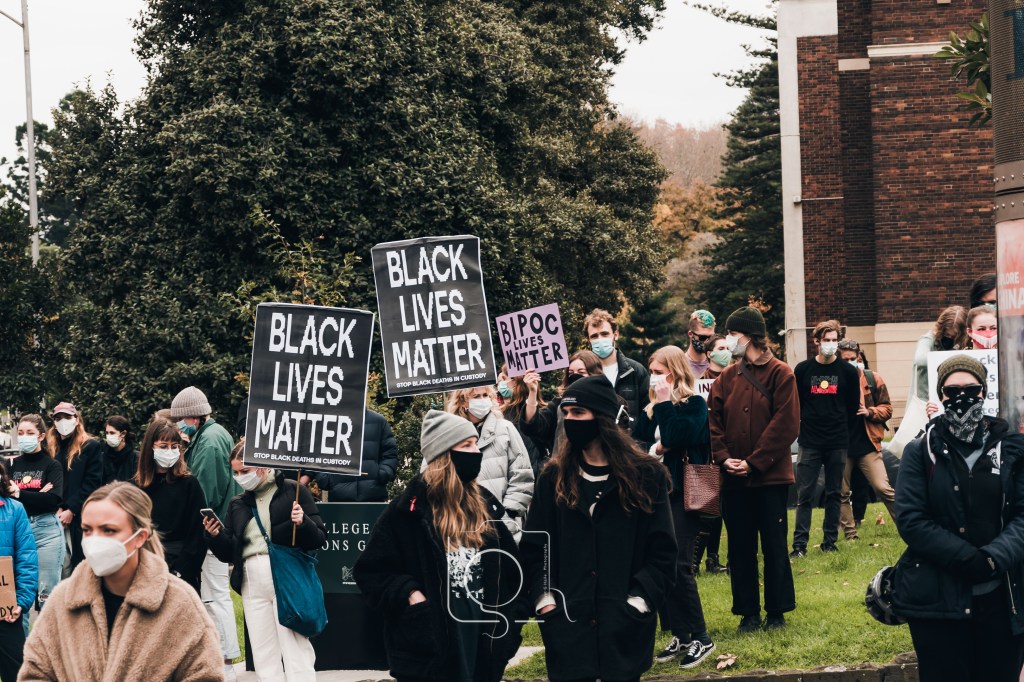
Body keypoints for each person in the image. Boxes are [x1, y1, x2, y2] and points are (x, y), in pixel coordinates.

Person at [521, 376, 676, 682]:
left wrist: (638, 602)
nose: (569, 420)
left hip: (625, 631)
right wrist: (545, 601)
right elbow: (535, 550)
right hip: (568, 630)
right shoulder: (553, 478)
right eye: (566, 413)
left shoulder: (647, 476)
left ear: (603, 418)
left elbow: (662, 553)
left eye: (578, 413)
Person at [354, 410, 525, 682]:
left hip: (481, 645)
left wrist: (509, 635)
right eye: (467, 445)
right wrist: (410, 594)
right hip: (428, 651)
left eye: (476, 443)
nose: (476, 451)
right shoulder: (406, 511)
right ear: (444, 455)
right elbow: (370, 572)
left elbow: (514, 572)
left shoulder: (484, 505)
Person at [891, 355, 1024, 681]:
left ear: (984, 392)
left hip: (1002, 599)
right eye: (952, 391)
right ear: (941, 395)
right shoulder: (920, 451)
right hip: (938, 603)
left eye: (971, 389)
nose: (962, 397)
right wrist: (968, 559)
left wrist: (993, 558)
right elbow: (911, 519)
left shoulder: (1012, 449)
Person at [20, 482, 223, 680]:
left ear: (140, 537)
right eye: (87, 529)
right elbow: (36, 671)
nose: (95, 540)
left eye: (109, 530)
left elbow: (205, 674)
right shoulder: (63, 601)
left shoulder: (179, 603)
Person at [204, 442, 327, 682]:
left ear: (261, 465)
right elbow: (229, 552)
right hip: (250, 578)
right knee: (263, 651)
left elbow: (319, 538)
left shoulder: (293, 490)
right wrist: (215, 536)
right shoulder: (238, 503)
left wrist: (303, 523)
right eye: (236, 472)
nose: (240, 477)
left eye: (245, 470)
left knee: (294, 645)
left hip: (285, 573)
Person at [709, 306, 799, 632]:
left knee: (774, 546)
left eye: (732, 333)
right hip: (734, 479)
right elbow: (713, 422)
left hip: (770, 478)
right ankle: (748, 613)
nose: (729, 339)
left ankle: (776, 611)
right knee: (740, 548)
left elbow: (786, 424)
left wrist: (755, 462)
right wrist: (723, 458)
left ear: (748, 335)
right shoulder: (726, 378)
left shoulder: (781, 373)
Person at [634, 346, 716, 670]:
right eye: (651, 372)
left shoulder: (694, 405)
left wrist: (665, 404)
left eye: (659, 372)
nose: (654, 378)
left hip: (686, 494)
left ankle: (701, 636)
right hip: (656, 496)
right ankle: (680, 634)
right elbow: (637, 443)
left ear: (675, 372)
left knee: (681, 565)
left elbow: (677, 434)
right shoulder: (650, 409)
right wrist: (657, 446)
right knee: (662, 564)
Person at [170, 385, 241, 670]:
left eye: (181, 419)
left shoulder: (209, 443)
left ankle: (225, 661)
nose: (178, 425)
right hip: (217, 528)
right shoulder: (212, 435)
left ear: (195, 416)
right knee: (215, 596)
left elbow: (204, 493)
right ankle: (223, 659)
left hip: (212, 530)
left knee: (214, 597)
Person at [791, 320, 861, 556]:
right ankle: (799, 545)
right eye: (826, 340)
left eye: (834, 340)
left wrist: (840, 427)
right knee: (805, 494)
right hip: (810, 440)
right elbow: (797, 403)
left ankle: (830, 542)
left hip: (837, 440)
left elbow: (852, 406)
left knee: (834, 493)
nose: (831, 344)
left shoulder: (848, 372)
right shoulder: (803, 370)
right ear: (817, 342)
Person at [441, 386, 534, 538]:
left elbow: (522, 477)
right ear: (463, 402)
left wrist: (506, 514)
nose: (483, 400)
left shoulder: (506, 429)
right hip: (463, 527)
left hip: (503, 527)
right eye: (476, 397)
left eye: (486, 395)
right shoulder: (448, 434)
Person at [134, 418, 207, 592]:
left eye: (174, 446)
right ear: (151, 447)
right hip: (146, 564)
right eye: (163, 446)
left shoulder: (189, 484)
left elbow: (197, 534)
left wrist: (181, 571)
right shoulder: (136, 487)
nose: (169, 451)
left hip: (181, 567)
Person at [836, 340, 896, 540]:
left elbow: (887, 408)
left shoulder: (872, 378)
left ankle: (908, 524)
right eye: (846, 360)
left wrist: (869, 411)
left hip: (867, 443)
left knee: (883, 488)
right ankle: (850, 534)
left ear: (859, 358)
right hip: (841, 445)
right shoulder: (832, 380)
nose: (850, 363)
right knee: (842, 492)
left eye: (853, 359)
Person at [10, 415, 64, 633]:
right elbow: (6, 497)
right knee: (17, 597)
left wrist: (19, 493)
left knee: (47, 596)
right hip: (17, 530)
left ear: (41, 436)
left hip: (46, 532)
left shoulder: (52, 465)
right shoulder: (11, 464)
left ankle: (47, 647)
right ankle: (22, 649)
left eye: (30, 433)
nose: (24, 437)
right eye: (21, 433)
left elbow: (52, 500)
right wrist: (37, 493)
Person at [47, 402, 103, 576]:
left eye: (67, 417)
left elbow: (92, 482)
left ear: (76, 419)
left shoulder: (90, 446)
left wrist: (71, 509)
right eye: (58, 418)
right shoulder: (50, 447)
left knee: (81, 568)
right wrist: (56, 507)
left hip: (80, 516)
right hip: (55, 515)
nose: (63, 421)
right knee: (59, 569)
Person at [521, 349, 603, 455]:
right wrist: (532, 392)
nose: (575, 376)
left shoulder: (607, 402)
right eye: (571, 373)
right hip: (563, 463)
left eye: (581, 372)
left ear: (594, 374)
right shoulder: (559, 404)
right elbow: (533, 426)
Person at [0, 457, 38, 681]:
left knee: (17, 673)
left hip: (6, 610)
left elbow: (27, 558)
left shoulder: (14, 510)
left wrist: (22, 601)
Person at [583, 308, 650, 430]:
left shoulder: (636, 371)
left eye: (604, 334)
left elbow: (648, 415)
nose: (600, 339)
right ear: (589, 340)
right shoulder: (584, 372)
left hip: (629, 441)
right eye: (594, 336)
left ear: (616, 334)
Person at [315, 409, 398, 502]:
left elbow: (390, 453)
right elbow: (318, 453)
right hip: (339, 497)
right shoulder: (331, 420)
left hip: (373, 494)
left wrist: (383, 473)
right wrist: (325, 478)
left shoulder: (379, 421)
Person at [497, 368, 548, 476]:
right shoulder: (544, 410)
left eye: (504, 379)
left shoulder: (506, 415)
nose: (501, 384)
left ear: (516, 382)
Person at [911, 306, 968, 401]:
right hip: (924, 400)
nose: (949, 338)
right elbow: (920, 360)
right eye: (947, 334)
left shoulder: (958, 345)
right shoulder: (928, 339)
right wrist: (955, 358)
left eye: (953, 336)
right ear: (941, 328)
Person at [99, 416, 138, 485]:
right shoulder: (102, 457)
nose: (108, 436)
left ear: (123, 434)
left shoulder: (136, 458)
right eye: (107, 433)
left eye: (112, 433)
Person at [684, 310, 716, 379]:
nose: (707, 341)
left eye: (711, 337)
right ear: (690, 334)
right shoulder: (679, 364)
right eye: (702, 337)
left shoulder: (717, 363)